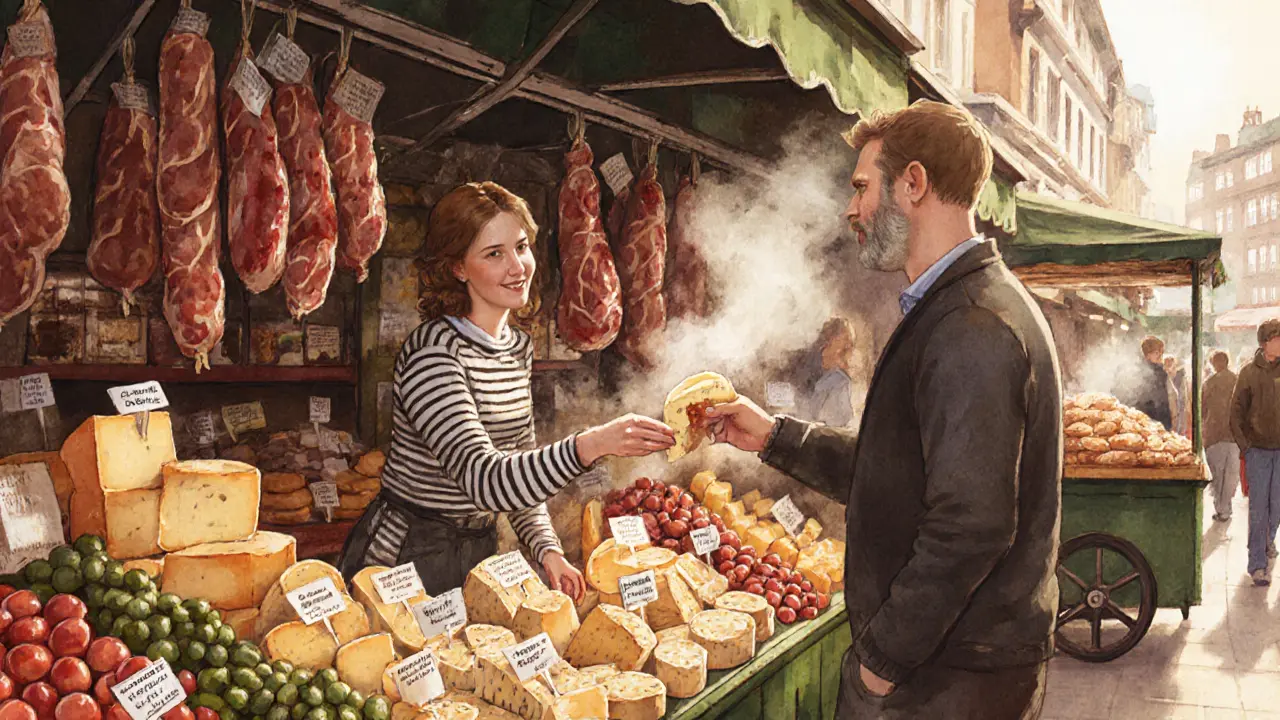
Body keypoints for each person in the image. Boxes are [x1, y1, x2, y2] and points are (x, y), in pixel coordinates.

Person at [706, 100, 1061, 719]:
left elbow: (971, 526)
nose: (852, 209)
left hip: (947, 680)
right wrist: (772, 436)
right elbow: (898, 472)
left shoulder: (973, 322)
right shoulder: (959, 305)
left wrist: (880, 663)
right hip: (947, 669)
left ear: (914, 184)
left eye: (862, 187)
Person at [337, 182, 675, 596]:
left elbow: (518, 468)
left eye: (520, 247)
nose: (518, 267)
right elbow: (484, 479)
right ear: (457, 267)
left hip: (477, 547)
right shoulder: (433, 353)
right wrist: (590, 445)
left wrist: (547, 549)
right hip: (406, 553)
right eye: (494, 254)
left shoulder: (516, 348)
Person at [1230, 319, 1280, 587]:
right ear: (1266, 343)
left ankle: (1268, 540)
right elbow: (1236, 412)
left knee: (1277, 508)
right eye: (1278, 338)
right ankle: (1257, 565)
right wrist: (1245, 446)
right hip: (1258, 452)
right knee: (1259, 509)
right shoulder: (1248, 373)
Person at [1203, 350, 1240, 522]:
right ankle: (1226, 507)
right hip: (1234, 435)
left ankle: (1222, 508)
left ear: (1213, 363)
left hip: (1214, 434)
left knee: (1217, 474)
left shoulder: (1209, 383)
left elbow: (1202, 410)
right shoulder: (1238, 381)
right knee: (1231, 474)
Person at [803, 317, 857, 427]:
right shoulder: (804, 362)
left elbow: (841, 421)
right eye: (845, 339)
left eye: (850, 341)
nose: (848, 345)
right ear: (830, 338)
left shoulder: (841, 381)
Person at [1120, 337, 1174, 429]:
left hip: (1151, 417)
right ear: (1148, 354)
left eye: (1161, 352)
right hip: (1152, 416)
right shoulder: (1155, 371)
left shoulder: (1159, 371)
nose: (1160, 355)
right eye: (1157, 352)